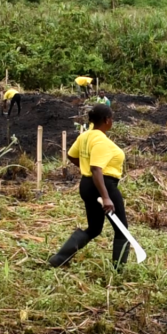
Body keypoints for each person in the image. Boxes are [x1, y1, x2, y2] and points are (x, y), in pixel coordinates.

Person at [48, 105, 131, 270]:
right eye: (112, 118)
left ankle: (59, 259)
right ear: (107, 120)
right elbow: (96, 169)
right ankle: (119, 271)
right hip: (103, 186)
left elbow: (72, 155)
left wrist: (83, 168)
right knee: (122, 230)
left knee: (94, 228)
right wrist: (106, 197)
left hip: (87, 185)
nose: (112, 121)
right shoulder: (102, 141)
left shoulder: (85, 136)